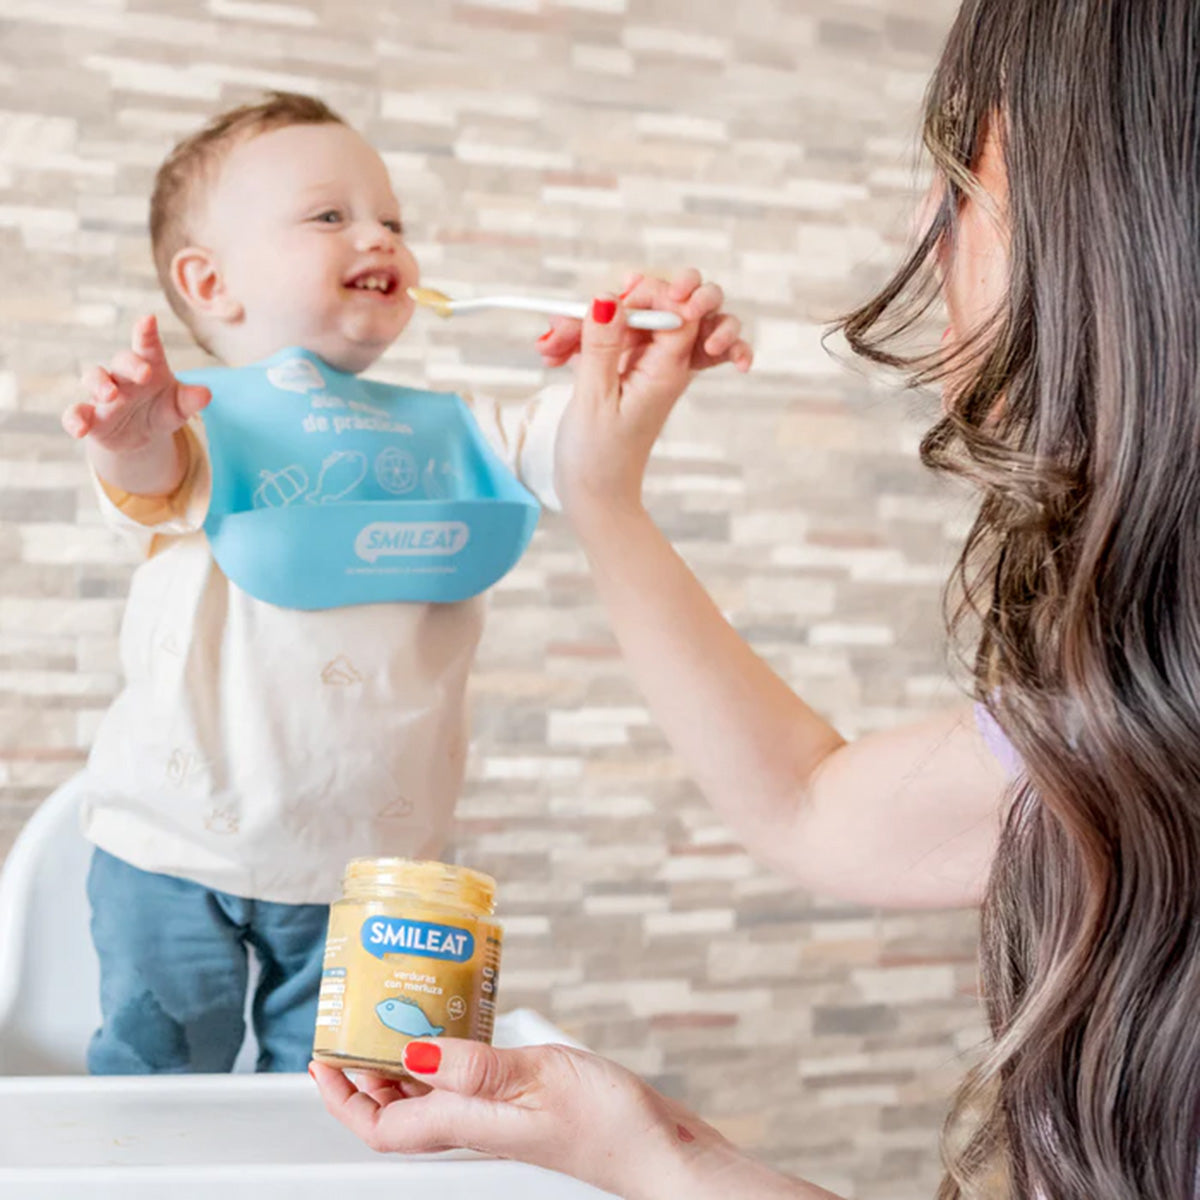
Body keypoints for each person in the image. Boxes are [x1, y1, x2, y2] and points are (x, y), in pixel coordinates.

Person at [311, 0, 1200, 1196]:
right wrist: (602, 491)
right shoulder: (1137, 711)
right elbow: (810, 802)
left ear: (1132, 209)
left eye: (960, 156)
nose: (916, 218)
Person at [58, 90, 752, 1075]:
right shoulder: (198, 421)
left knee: (349, 1106)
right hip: (171, 856)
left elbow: (584, 455)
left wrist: (642, 371)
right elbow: (149, 482)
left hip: (375, 882)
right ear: (211, 283)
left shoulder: (456, 433)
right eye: (330, 215)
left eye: (392, 219)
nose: (378, 233)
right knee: (156, 1091)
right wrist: (131, 437)